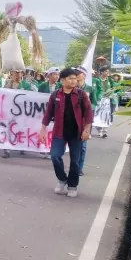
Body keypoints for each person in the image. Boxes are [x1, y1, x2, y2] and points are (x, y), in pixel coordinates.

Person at [41, 67, 93, 198]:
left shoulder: (81, 95)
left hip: (77, 133)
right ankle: (62, 179)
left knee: (75, 161)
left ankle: (72, 186)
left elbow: (88, 114)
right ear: (63, 80)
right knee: (55, 156)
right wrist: (42, 130)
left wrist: (87, 130)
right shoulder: (55, 95)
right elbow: (48, 114)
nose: (74, 81)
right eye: (70, 78)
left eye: (75, 78)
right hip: (59, 132)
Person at [2, 69, 35, 159]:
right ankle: (7, 149)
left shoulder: (26, 85)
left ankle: (21, 146)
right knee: (9, 128)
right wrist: (10, 84)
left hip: (22, 111)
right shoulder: (8, 83)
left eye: (19, 72)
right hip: (10, 110)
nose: (17, 74)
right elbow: (3, 93)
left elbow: (31, 96)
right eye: (15, 72)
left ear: (22, 73)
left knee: (21, 128)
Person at [75, 66, 95, 177]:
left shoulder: (90, 89)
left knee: (82, 146)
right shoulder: (71, 88)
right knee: (73, 145)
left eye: (79, 73)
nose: (77, 74)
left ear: (84, 75)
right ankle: (73, 165)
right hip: (73, 120)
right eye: (76, 72)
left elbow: (95, 103)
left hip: (85, 121)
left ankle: (79, 167)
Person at [92, 66, 116, 138]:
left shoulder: (110, 80)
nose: (107, 73)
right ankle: (99, 130)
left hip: (107, 100)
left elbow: (113, 88)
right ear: (102, 72)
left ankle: (105, 131)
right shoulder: (97, 80)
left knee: (106, 115)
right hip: (99, 100)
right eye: (106, 71)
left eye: (108, 71)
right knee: (98, 115)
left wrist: (111, 93)